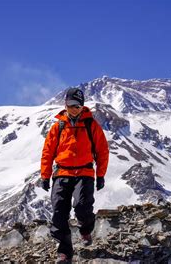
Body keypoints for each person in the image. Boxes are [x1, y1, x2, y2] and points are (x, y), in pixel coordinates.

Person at [40, 88, 109, 263]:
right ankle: (64, 253)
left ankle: (86, 230)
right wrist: (45, 176)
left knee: (82, 206)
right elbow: (48, 152)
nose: (74, 109)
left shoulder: (91, 125)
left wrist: (100, 175)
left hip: (84, 172)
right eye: (71, 105)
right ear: (66, 105)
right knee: (58, 212)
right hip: (62, 172)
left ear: (82, 105)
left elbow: (102, 151)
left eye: (77, 105)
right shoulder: (58, 126)